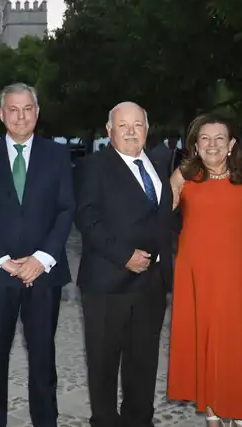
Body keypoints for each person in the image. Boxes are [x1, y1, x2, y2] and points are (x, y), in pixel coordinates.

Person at [0, 82, 74, 427]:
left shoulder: (57, 155)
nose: (20, 116)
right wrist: (1, 259)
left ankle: (46, 420)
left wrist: (42, 258)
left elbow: (66, 209)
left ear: (37, 113)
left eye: (27, 108)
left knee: (43, 356)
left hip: (44, 275)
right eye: (13, 109)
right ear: (1, 114)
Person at [73, 101, 176, 427]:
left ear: (147, 129)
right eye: (123, 125)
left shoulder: (160, 166)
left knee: (144, 363)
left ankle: (139, 420)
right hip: (108, 283)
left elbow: (166, 219)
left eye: (138, 125)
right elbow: (87, 219)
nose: (131, 131)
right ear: (109, 131)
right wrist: (124, 256)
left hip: (152, 285)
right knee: (104, 364)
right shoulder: (93, 166)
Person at [166, 114, 242, 425]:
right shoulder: (182, 177)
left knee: (236, 341)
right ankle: (212, 412)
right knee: (204, 339)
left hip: (239, 275)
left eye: (219, 138)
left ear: (232, 144)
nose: (212, 144)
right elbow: (154, 220)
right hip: (196, 276)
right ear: (195, 145)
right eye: (205, 139)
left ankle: (239, 412)